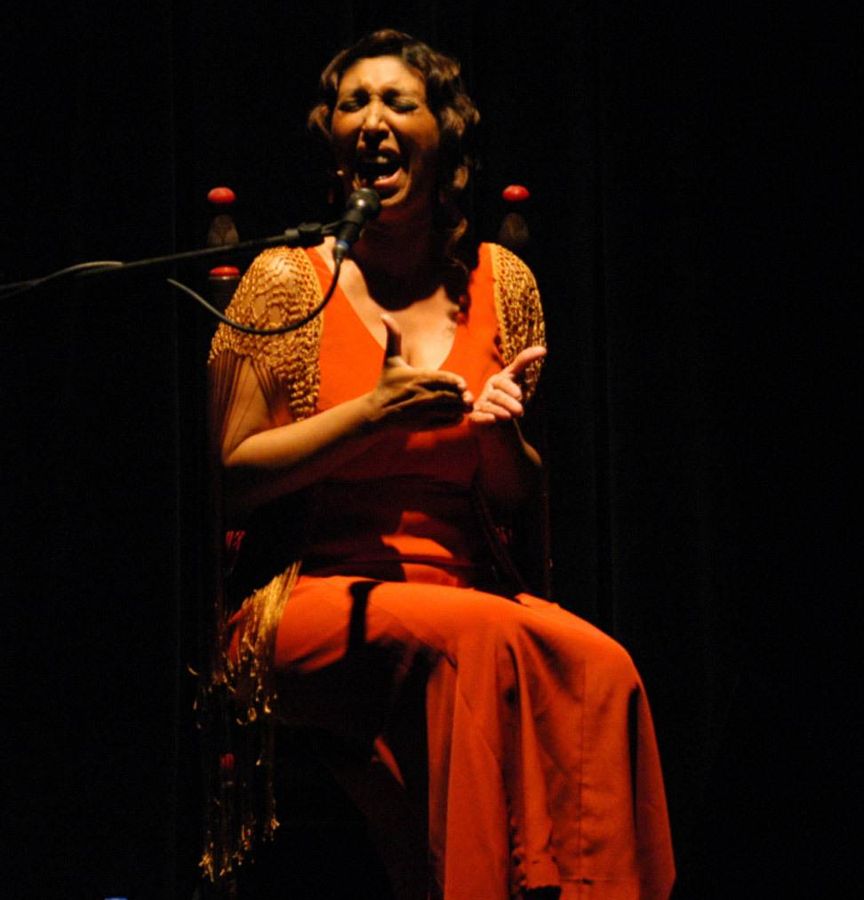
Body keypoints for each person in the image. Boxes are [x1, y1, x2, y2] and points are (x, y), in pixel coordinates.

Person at [201, 30, 674, 899]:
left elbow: (518, 499)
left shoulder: (503, 283)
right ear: (331, 142)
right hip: (304, 597)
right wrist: (370, 417)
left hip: (466, 588)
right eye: (353, 104)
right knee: (473, 644)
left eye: (398, 103)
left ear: (445, 139)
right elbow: (229, 476)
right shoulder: (284, 279)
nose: (373, 122)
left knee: (603, 665)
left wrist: (503, 441)